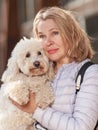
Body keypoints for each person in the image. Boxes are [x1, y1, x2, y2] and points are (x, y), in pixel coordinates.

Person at [11, 6, 98, 130]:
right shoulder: (36, 73)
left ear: (70, 33)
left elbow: (81, 127)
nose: (48, 42)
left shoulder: (90, 73)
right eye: (41, 36)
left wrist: (36, 110)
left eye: (55, 33)